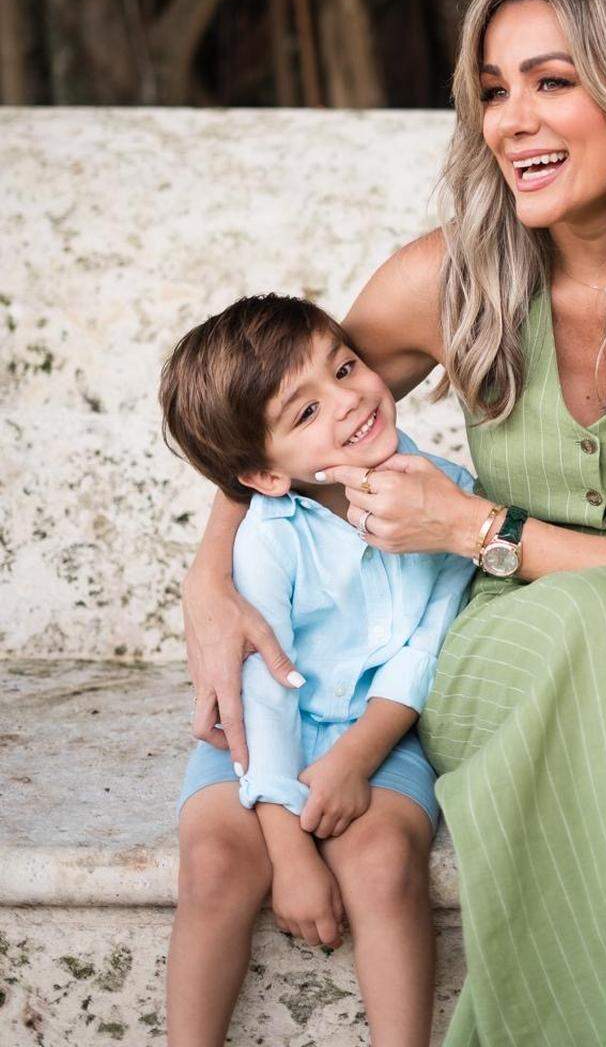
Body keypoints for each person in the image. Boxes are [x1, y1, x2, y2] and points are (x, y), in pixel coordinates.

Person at [181, 0, 606, 1047]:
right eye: (492, 89)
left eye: (552, 80)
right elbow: (271, 427)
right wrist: (213, 582)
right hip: (510, 660)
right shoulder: (444, 279)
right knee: (587, 645)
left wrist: (478, 528)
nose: (512, 120)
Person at [159, 293, 474, 1047]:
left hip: (383, 732)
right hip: (258, 735)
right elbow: (261, 686)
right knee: (214, 863)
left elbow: (423, 648)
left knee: (384, 862)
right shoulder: (269, 534)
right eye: (304, 413)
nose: (348, 402)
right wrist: (288, 845)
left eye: (345, 366)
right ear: (264, 474)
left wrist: (358, 757)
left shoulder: (446, 494)